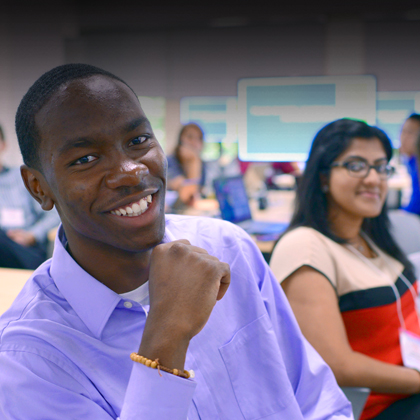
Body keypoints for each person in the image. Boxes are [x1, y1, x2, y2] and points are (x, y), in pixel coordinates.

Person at [0, 64, 352, 419]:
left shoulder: (228, 248)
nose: (132, 171)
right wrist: (166, 340)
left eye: (138, 141)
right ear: (38, 187)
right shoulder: (26, 359)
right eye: (85, 159)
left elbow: (318, 401)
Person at [270, 118, 420, 420]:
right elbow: (338, 365)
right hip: (376, 407)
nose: (373, 178)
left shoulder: (368, 235)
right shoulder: (304, 246)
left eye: (380, 166)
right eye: (356, 165)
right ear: (323, 177)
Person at [0, 125, 60, 269]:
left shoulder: (23, 177)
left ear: (3, 145)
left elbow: (53, 213)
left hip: (24, 251)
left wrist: (32, 235)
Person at [167, 123, 205, 206]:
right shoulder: (169, 161)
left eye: (199, 138)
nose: (194, 142)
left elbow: (202, 192)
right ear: (181, 139)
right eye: (190, 137)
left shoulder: (202, 164)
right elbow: (188, 194)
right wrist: (193, 161)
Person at [399, 113, 420, 215]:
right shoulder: (411, 160)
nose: (403, 137)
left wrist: (402, 214)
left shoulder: (416, 162)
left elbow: (417, 203)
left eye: (410, 133)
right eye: (403, 131)